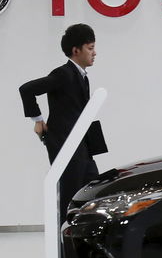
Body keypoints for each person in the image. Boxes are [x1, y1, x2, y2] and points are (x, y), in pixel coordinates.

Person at [19, 23, 107, 221]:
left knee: (91, 190)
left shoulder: (81, 76)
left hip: (82, 147)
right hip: (65, 144)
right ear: (76, 50)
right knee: (70, 197)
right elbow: (26, 89)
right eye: (90, 48)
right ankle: (63, 241)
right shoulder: (63, 74)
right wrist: (38, 120)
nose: (95, 53)